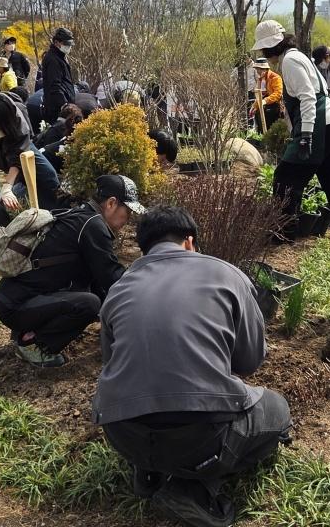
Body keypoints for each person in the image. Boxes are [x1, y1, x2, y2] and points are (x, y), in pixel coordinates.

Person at [93, 205, 292, 527]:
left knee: (156, 415)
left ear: (145, 248)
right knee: (277, 409)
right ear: (189, 241)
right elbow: (250, 361)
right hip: (201, 435)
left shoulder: (118, 289)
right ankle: (191, 487)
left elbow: (110, 364)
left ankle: (148, 469)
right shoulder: (227, 274)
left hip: (121, 433)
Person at [0, 174, 142, 368]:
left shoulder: (81, 216)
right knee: (89, 304)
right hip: (17, 306)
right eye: (128, 210)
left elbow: (98, 279)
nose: (129, 218)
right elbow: (113, 278)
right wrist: (145, 295)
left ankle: (27, 329)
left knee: (88, 295)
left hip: (13, 299)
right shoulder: (93, 226)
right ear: (112, 203)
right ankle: (34, 345)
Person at [252, 20, 330, 250]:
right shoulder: (299, 56)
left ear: (270, 47)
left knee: (285, 179)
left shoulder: (290, 61)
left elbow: (307, 97)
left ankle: (282, 235)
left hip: (317, 129)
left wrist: (305, 136)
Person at [41, 27, 76, 124]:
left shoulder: (60, 57)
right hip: (57, 109)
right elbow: (55, 85)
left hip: (63, 105)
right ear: (57, 43)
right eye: (66, 44)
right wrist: (65, 105)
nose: (69, 47)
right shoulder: (53, 60)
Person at [249, 57, 283, 133]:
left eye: (260, 69)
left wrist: (265, 101)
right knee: (260, 125)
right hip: (263, 107)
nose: (258, 71)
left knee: (271, 128)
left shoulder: (275, 78)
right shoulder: (260, 79)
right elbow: (259, 95)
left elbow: (278, 94)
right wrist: (255, 105)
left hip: (274, 107)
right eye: (257, 69)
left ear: (265, 68)